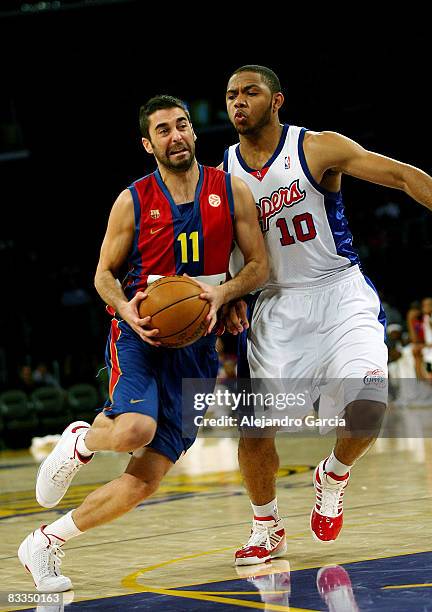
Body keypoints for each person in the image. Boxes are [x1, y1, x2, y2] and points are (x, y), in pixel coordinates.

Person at [18, 94, 268, 592]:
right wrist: (127, 311)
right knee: (133, 428)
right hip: (142, 333)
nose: (175, 136)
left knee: (146, 480)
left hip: (197, 344)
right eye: (163, 130)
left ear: (194, 132)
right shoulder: (132, 199)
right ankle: (81, 441)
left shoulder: (230, 190)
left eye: (182, 126)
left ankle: (46, 542)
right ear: (147, 143)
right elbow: (103, 275)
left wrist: (227, 292)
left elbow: (258, 266)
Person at [221, 65, 432, 565]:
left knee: (367, 409)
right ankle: (265, 526)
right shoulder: (223, 172)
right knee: (253, 431)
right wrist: (227, 295)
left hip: (339, 294)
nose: (238, 102)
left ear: (276, 101)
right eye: (231, 95)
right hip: (274, 305)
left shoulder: (316, 147)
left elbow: (402, 176)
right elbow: (223, 244)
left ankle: (333, 473)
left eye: (250, 92)